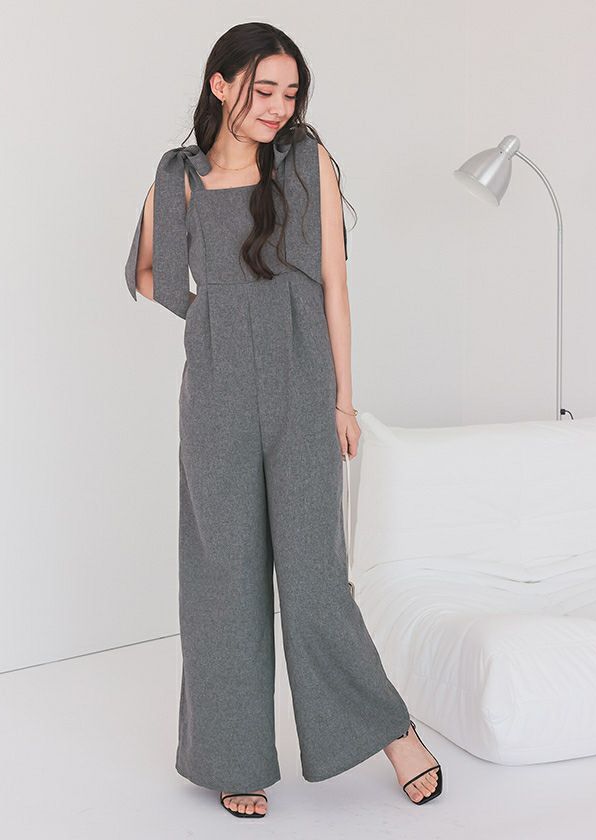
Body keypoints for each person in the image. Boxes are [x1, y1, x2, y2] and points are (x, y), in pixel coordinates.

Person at [125, 21, 442, 818]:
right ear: (220, 84)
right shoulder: (179, 176)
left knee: (314, 575)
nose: (277, 106)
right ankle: (232, 756)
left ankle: (393, 732)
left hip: (304, 379)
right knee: (222, 578)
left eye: (289, 92)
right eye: (261, 89)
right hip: (218, 390)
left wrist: (343, 399)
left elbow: (335, 281)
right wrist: (210, 314)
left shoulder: (307, 160)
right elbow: (146, 272)